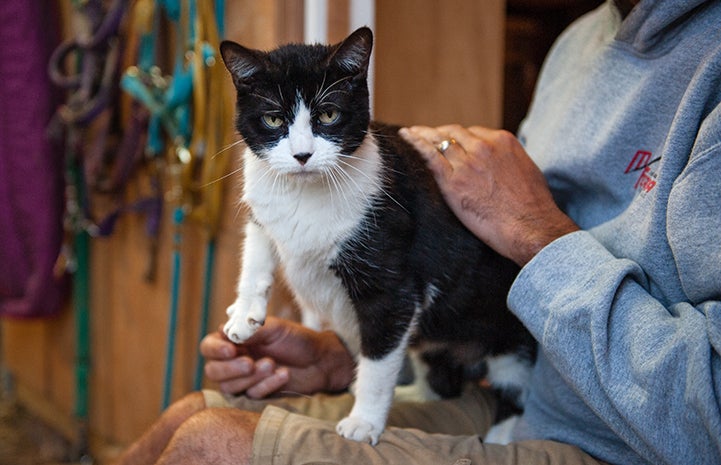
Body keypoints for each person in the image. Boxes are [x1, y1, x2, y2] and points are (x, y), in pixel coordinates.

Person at [115, 0, 721, 463]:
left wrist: (536, 232)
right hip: (505, 381)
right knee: (188, 410)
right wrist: (343, 355)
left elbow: (707, 419)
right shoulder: (579, 41)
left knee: (208, 442)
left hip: (613, 439)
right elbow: (456, 272)